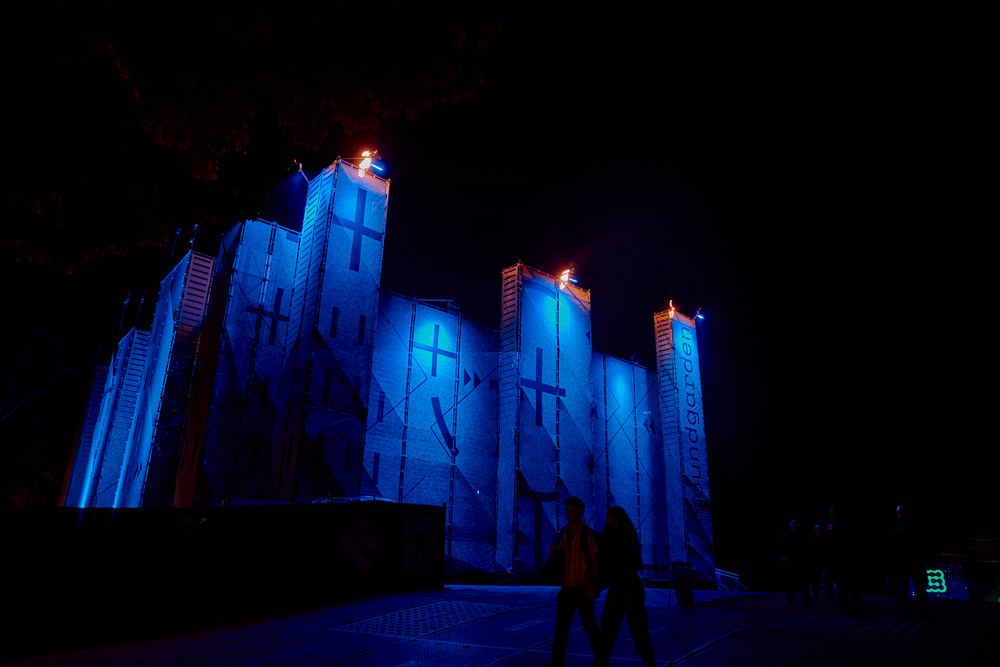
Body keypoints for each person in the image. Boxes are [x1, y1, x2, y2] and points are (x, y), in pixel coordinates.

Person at [543, 496, 604, 667]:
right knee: (562, 627)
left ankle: (601, 659)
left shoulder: (587, 534)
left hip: (583, 587)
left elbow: (595, 561)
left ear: (580, 512)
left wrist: (593, 583)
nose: (569, 514)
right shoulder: (564, 532)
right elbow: (561, 554)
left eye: (572, 511)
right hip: (567, 587)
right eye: (567, 510)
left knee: (588, 624)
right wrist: (555, 551)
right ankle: (557, 662)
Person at [599, 506, 655, 667]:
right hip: (618, 584)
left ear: (619, 520)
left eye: (611, 519)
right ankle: (602, 660)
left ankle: (649, 661)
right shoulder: (610, 535)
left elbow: (630, 562)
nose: (608, 523)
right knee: (608, 624)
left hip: (629, 585)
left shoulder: (626, 536)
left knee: (636, 625)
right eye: (608, 520)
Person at [886, 505, 933, 621]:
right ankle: (924, 614)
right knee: (920, 589)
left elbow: (888, 546)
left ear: (898, 513)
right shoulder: (915, 525)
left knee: (902, 589)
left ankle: (905, 615)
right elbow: (923, 543)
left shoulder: (891, 527)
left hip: (900, 563)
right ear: (908, 513)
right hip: (916, 561)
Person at [780, 519, 813, 605]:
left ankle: (806, 600)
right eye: (794, 525)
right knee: (791, 582)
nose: (795, 526)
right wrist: (784, 556)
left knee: (803, 582)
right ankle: (791, 599)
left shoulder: (801, 535)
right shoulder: (787, 535)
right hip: (792, 561)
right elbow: (783, 547)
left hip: (800, 561)